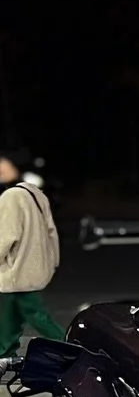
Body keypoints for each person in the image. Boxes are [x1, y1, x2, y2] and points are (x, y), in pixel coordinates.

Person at [0, 150, 64, 360]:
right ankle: (4, 353)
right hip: (32, 269)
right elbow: (51, 231)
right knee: (10, 316)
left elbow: (5, 237)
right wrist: (52, 261)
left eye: (4, 165)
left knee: (35, 315)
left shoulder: (10, 196)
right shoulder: (35, 193)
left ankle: (71, 345)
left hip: (16, 271)